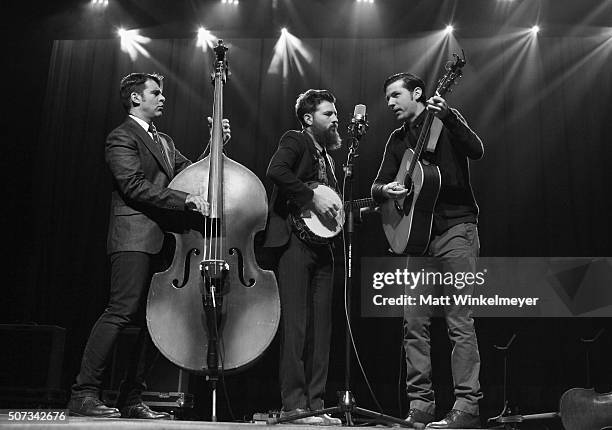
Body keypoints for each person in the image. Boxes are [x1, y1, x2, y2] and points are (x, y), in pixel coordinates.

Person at [68, 73, 229, 419]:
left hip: (163, 241)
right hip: (133, 237)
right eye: (156, 92)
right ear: (135, 99)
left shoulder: (165, 141)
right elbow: (134, 186)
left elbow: (191, 174)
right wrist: (185, 201)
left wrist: (216, 145)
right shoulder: (121, 136)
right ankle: (83, 392)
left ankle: (131, 397)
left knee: (150, 320)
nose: (163, 98)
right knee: (121, 310)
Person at [371, 73, 484, 429]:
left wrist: (450, 116)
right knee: (413, 323)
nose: (389, 103)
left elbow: (476, 150)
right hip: (416, 239)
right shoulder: (396, 139)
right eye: (387, 97)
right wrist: (385, 190)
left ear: (417, 93)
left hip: (455, 229)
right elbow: (378, 184)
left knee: (458, 320)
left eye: (395, 95)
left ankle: (466, 407)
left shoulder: (445, 119)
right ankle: (420, 406)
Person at [264, 89, 343, 426]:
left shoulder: (329, 157)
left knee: (321, 331)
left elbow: (331, 205)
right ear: (310, 118)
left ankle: (316, 404)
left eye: (335, 113)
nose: (335, 118)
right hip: (295, 243)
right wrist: (311, 198)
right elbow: (276, 170)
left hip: (323, 248)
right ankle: (294, 406)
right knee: (296, 327)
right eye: (328, 113)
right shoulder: (296, 139)